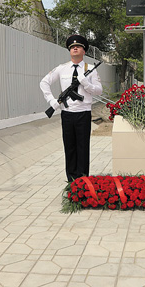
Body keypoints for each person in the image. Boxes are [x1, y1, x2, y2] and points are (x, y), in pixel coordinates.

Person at [40, 35, 103, 182]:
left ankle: (83, 181)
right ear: (69, 50)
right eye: (72, 47)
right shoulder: (62, 69)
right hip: (67, 114)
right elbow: (44, 82)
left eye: (79, 46)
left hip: (84, 114)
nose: (75, 48)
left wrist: (86, 84)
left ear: (84, 50)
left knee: (83, 148)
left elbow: (99, 90)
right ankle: (71, 182)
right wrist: (52, 100)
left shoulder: (91, 69)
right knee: (70, 148)